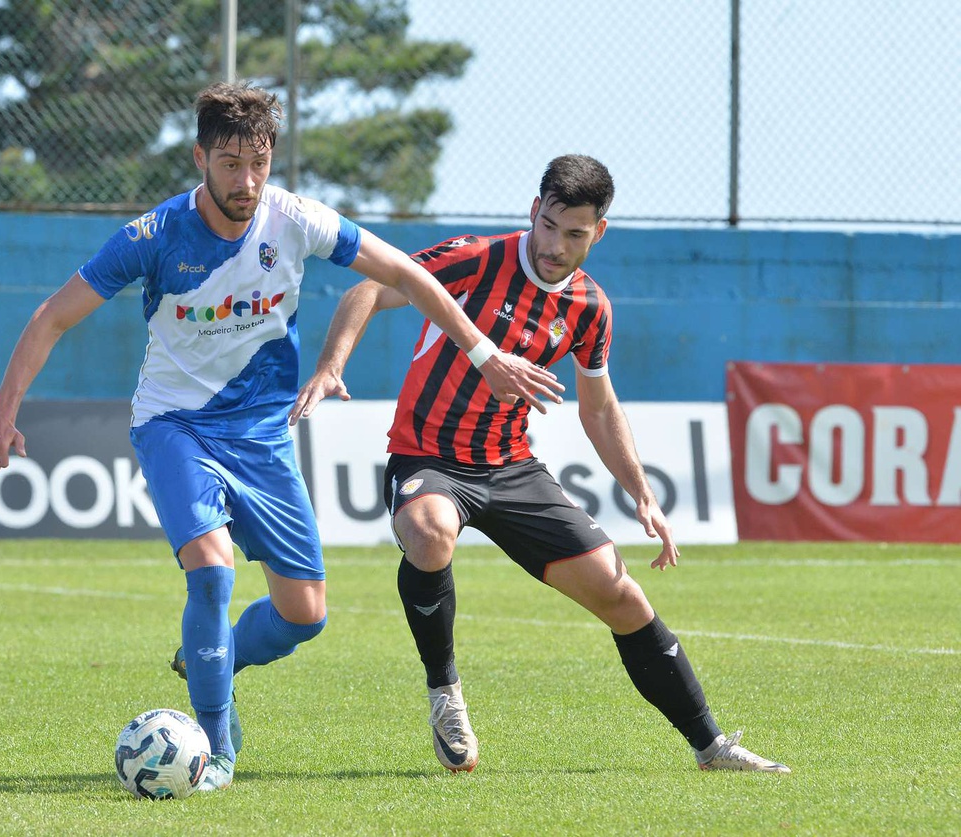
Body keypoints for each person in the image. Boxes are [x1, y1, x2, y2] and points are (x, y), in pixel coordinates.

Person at [0, 82, 561, 792]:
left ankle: (207, 657)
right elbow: (52, 317)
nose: (245, 181)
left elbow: (404, 272)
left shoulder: (296, 220)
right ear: (199, 159)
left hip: (262, 433)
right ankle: (214, 750)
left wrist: (482, 352)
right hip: (175, 426)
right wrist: (3, 412)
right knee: (212, 568)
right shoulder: (153, 236)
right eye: (228, 163)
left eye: (257, 163)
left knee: (304, 613)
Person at [290, 154, 790, 774]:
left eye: (574, 233)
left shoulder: (590, 307)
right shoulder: (477, 258)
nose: (555, 245)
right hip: (427, 456)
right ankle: (445, 693)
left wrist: (642, 493)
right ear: (534, 211)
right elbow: (369, 286)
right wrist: (332, 365)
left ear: (597, 233)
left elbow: (599, 409)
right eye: (549, 225)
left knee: (622, 596)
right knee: (428, 531)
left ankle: (711, 747)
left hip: (512, 468)